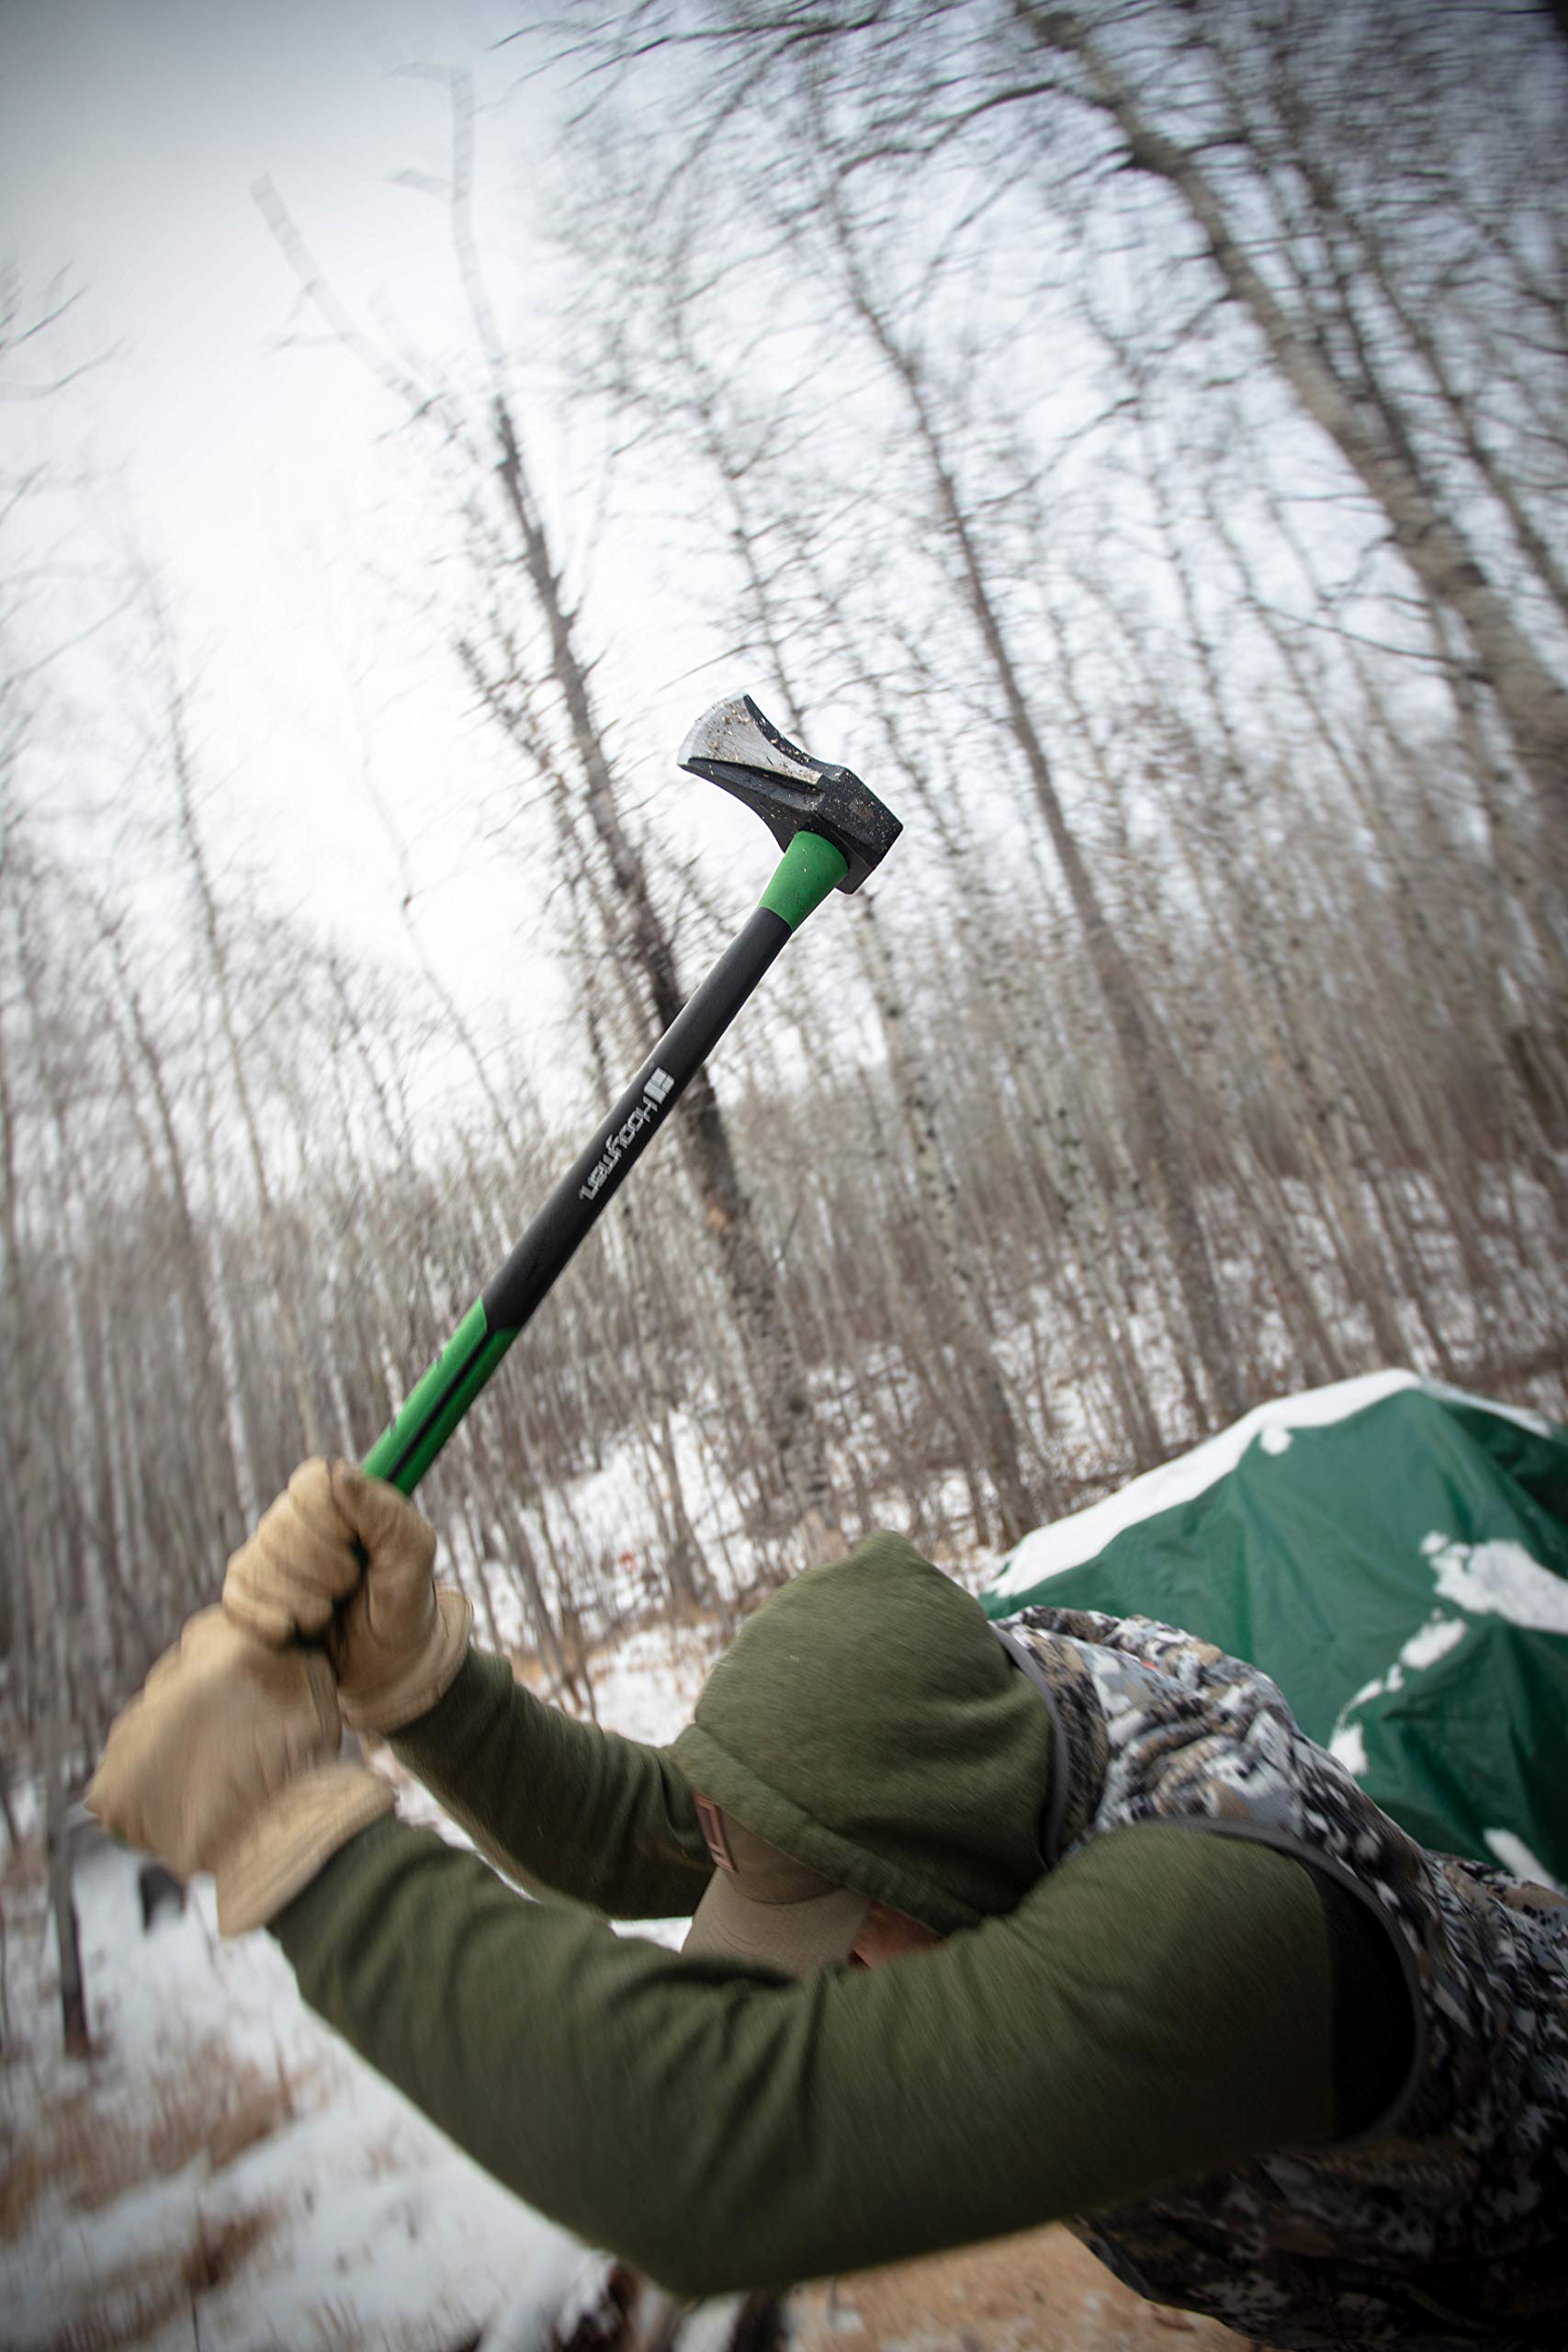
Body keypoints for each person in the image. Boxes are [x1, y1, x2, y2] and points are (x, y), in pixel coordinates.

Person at [86, 1459, 1568, 2351]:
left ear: (941, 1868)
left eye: (845, 1936)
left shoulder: (1218, 1928)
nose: (832, 1982)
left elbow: (715, 2159)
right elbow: (669, 1830)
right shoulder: (990, 1715)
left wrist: (291, 1840)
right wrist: (419, 1687)